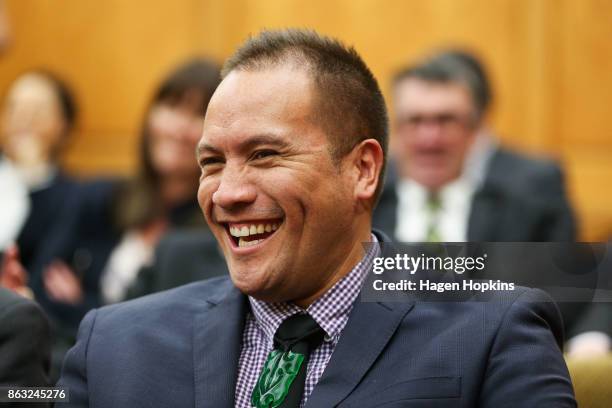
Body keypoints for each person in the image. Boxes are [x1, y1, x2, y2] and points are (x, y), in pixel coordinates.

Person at [58, 29, 575, 407]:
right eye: (211, 163)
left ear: (363, 170)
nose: (228, 193)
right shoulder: (115, 342)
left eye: (265, 155)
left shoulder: (492, 336)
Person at [373, 49, 576, 242]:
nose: (430, 139)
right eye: (415, 120)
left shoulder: (528, 199)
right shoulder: (368, 199)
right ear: (394, 128)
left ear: (476, 130)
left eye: (446, 120)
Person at [1, 70, 80, 272]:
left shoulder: (73, 198)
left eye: (36, 112)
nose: (23, 120)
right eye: (14, 109)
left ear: (64, 126)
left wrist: (34, 176)